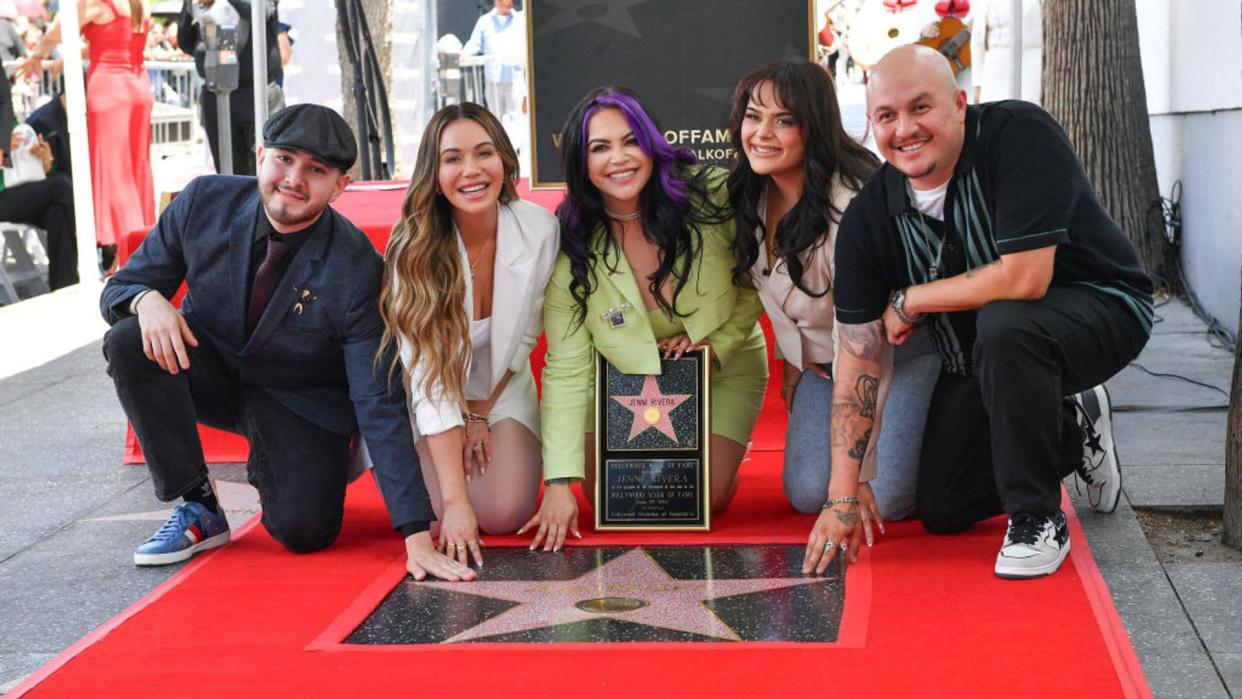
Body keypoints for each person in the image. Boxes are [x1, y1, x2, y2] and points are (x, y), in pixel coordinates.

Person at [803, 45, 1152, 580]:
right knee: (945, 507)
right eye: (886, 116)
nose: (905, 129)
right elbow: (859, 357)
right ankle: (1072, 429)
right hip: (981, 359)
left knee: (1005, 323)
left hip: (1102, 308)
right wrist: (842, 498)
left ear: (961, 104)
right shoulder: (869, 218)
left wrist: (910, 299)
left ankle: (1037, 518)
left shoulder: (1018, 134)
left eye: (921, 108)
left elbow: (1024, 278)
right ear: (870, 125)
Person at [100, 104, 474, 583]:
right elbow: (119, 288)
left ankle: (301, 462)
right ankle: (198, 503)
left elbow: (377, 397)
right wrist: (146, 298)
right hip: (209, 371)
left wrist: (415, 532)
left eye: (316, 170)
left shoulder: (358, 266)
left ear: (340, 186)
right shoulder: (202, 202)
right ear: (260, 156)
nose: (294, 178)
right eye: (284, 159)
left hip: (300, 400)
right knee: (130, 339)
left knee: (306, 533)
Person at [523, 87, 768, 552]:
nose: (619, 158)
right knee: (613, 502)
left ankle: (723, 460)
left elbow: (760, 280)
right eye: (600, 147)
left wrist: (721, 342)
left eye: (630, 140)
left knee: (703, 498)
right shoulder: (571, 243)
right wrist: (558, 482)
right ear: (580, 161)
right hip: (622, 379)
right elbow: (567, 366)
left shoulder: (712, 195)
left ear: (651, 143)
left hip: (721, 364)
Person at [726, 60, 941, 523]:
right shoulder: (748, 193)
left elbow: (867, 349)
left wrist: (854, 479)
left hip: (895, 355)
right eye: (753, 115)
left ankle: (975, 419)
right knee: (806, 494)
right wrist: (792, 363)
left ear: (815, 127)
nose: (761, 133)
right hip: (824, 367)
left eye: (783, 120)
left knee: (885, 494)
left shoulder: (850, 207)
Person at [380, 102, 557, 558]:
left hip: (502, 385)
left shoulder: (539, 228)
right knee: (447, 515)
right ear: (432, 175)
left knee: (504, 514)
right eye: (452, 158)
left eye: (484, 153)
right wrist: (456, 502)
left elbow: (525, 337)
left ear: (504, 159)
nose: (472, 170)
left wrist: (479, 412)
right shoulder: (412, 247)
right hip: (434, 394)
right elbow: (425, 373)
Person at [20, 0, 156, 276]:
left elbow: (57, 31)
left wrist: (36, 55)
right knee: (135, 172)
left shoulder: (100, 3)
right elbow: (116, 41)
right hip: (138, 87)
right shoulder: (139, 4)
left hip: (110, 90)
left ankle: (126, 254)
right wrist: (70, 55)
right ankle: (135, 250)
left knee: (115, 174)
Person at [178, 0, 282, 176]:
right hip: (216, 89)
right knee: (229, 173)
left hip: (257, 93)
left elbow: (260, 13)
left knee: (264, 168)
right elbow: (185, 38)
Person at [0, 78, 77, 290]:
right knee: (61, 188)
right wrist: (5, 145)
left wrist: (45, 159)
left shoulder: (8, 119)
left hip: (15, 192)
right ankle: (89, 243)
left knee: (57, 213)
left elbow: (31, 171)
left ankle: (66, 288)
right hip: (5, 195)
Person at [461, 0, 525, 124]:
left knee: (516, 119)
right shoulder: (485, 21)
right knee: (495, 120)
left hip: (515, 79)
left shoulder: (519, 20)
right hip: (493, 79)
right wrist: (463, 55)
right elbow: (475, 43)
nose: (504, 5)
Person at [971, 0, 1043, 104]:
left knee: (1028, 111)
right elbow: (977, 41)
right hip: (994, 67)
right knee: (993, 113)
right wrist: (977, 87)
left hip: (1031, 63)